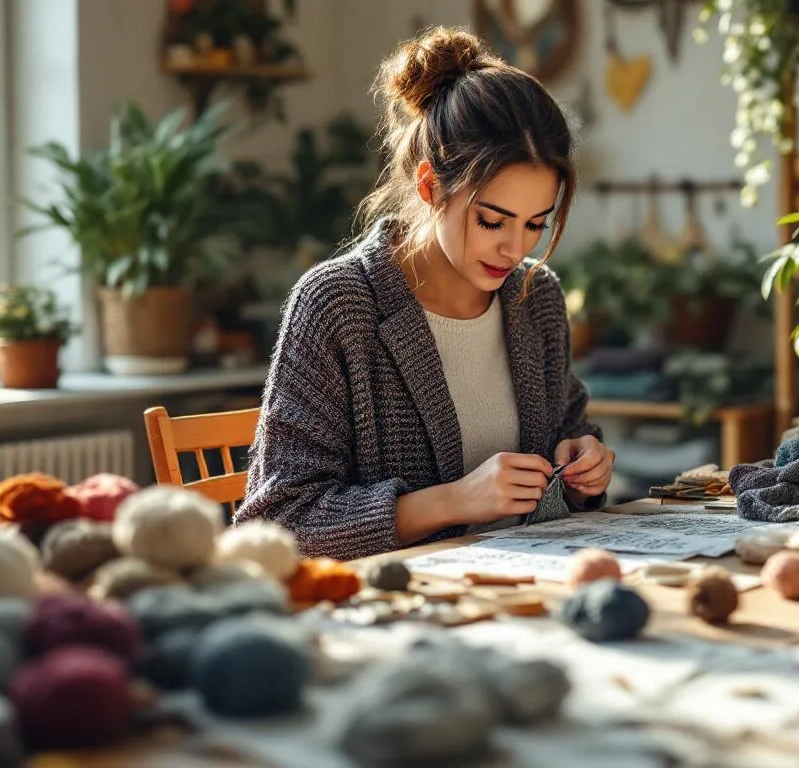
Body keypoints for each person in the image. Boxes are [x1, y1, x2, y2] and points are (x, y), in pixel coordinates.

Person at [236, 27, 614, 560]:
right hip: (398, 600)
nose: (514, 248)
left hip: (527, 588)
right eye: (492, 221)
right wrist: (455, 501)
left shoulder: (536, 299)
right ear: (430, 186)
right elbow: (278, 524)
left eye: (535, 224)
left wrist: (582, 470)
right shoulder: (338, 305)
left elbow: (568, 439)